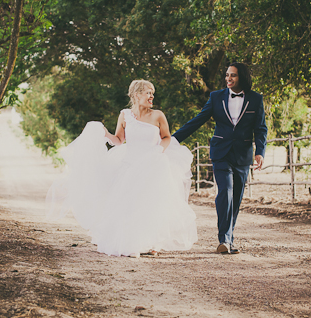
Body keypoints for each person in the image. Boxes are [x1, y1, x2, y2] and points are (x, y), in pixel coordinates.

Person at [46, 80, 197, 258]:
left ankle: (153, 241)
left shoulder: (158, 115)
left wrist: (158, 151)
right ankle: (132, 242)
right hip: (130, 164)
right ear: (136, 95)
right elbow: (118, 140)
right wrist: (103, 132)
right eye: (148, 92)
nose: (151, 96)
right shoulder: (125, 115)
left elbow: (166, 138)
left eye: (152, 93)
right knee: (129, 203)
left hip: (153, 164)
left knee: (151, 202)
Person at [173, 62, 267, 255]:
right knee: (225, 192)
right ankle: (224, 239)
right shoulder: (216, 97)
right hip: (221, 152)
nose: (228, 79)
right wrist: (173, 139)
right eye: (226, 75)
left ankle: (229, 238)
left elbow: (260, 128)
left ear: (242, 77)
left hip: (242, 155)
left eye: (233, 75)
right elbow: (198, 120)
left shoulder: (256, 99)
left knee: (237, 197)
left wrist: (260, 152)